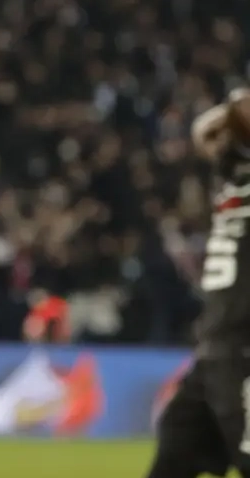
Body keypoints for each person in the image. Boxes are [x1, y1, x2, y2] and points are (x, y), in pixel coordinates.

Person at [146, 88, 250, 478]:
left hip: (244, 349)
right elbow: (204, 131)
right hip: (213, 351)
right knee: (174, 452)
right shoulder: (232, 172)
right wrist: (234, 106)